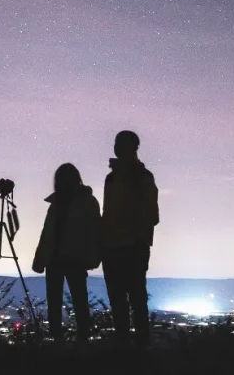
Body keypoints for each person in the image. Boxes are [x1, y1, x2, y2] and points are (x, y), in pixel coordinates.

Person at [100, 130, 159, 348]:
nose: (116, 147)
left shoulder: (141, 177)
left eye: (120, 144)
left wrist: (136, 237)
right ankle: (125, 345)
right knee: (121, 299)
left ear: (132, 147)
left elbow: (151, 214)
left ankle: (138, 346)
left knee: (134, 298)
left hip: (131, 246)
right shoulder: (112, 177)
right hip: (114, 246)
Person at [32, 163, 101, 343]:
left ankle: (79, 338)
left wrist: (92, 256)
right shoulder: (61, 203)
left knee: (76, 299)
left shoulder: (84, 202)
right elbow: (47, 233)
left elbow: (94, 231)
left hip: (73, 258)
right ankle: (62, 338)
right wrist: (40, 258)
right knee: (63, 300)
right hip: (58, 258)